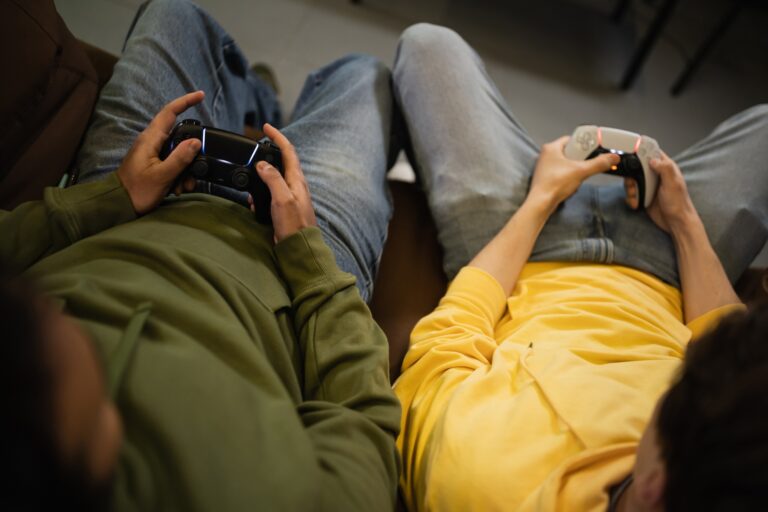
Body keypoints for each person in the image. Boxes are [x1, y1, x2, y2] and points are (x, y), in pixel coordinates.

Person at [0, 0, 403, 509]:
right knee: (364, 77)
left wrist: (114, 197)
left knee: (175, 13)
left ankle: (256, 98)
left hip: (123, 205)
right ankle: (261, 103)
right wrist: (311, 261)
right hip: (294, 269)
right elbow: (365, 421)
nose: (38, 303)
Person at [391, 24, 768, 511]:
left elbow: (448, 339)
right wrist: (684, 220)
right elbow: (721, 336)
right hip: (673, 261)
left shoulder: (481, 483)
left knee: (427, 46)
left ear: (654, 488)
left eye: (676, 391)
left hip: (519, 254)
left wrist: (542, 199)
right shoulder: (727, 440)